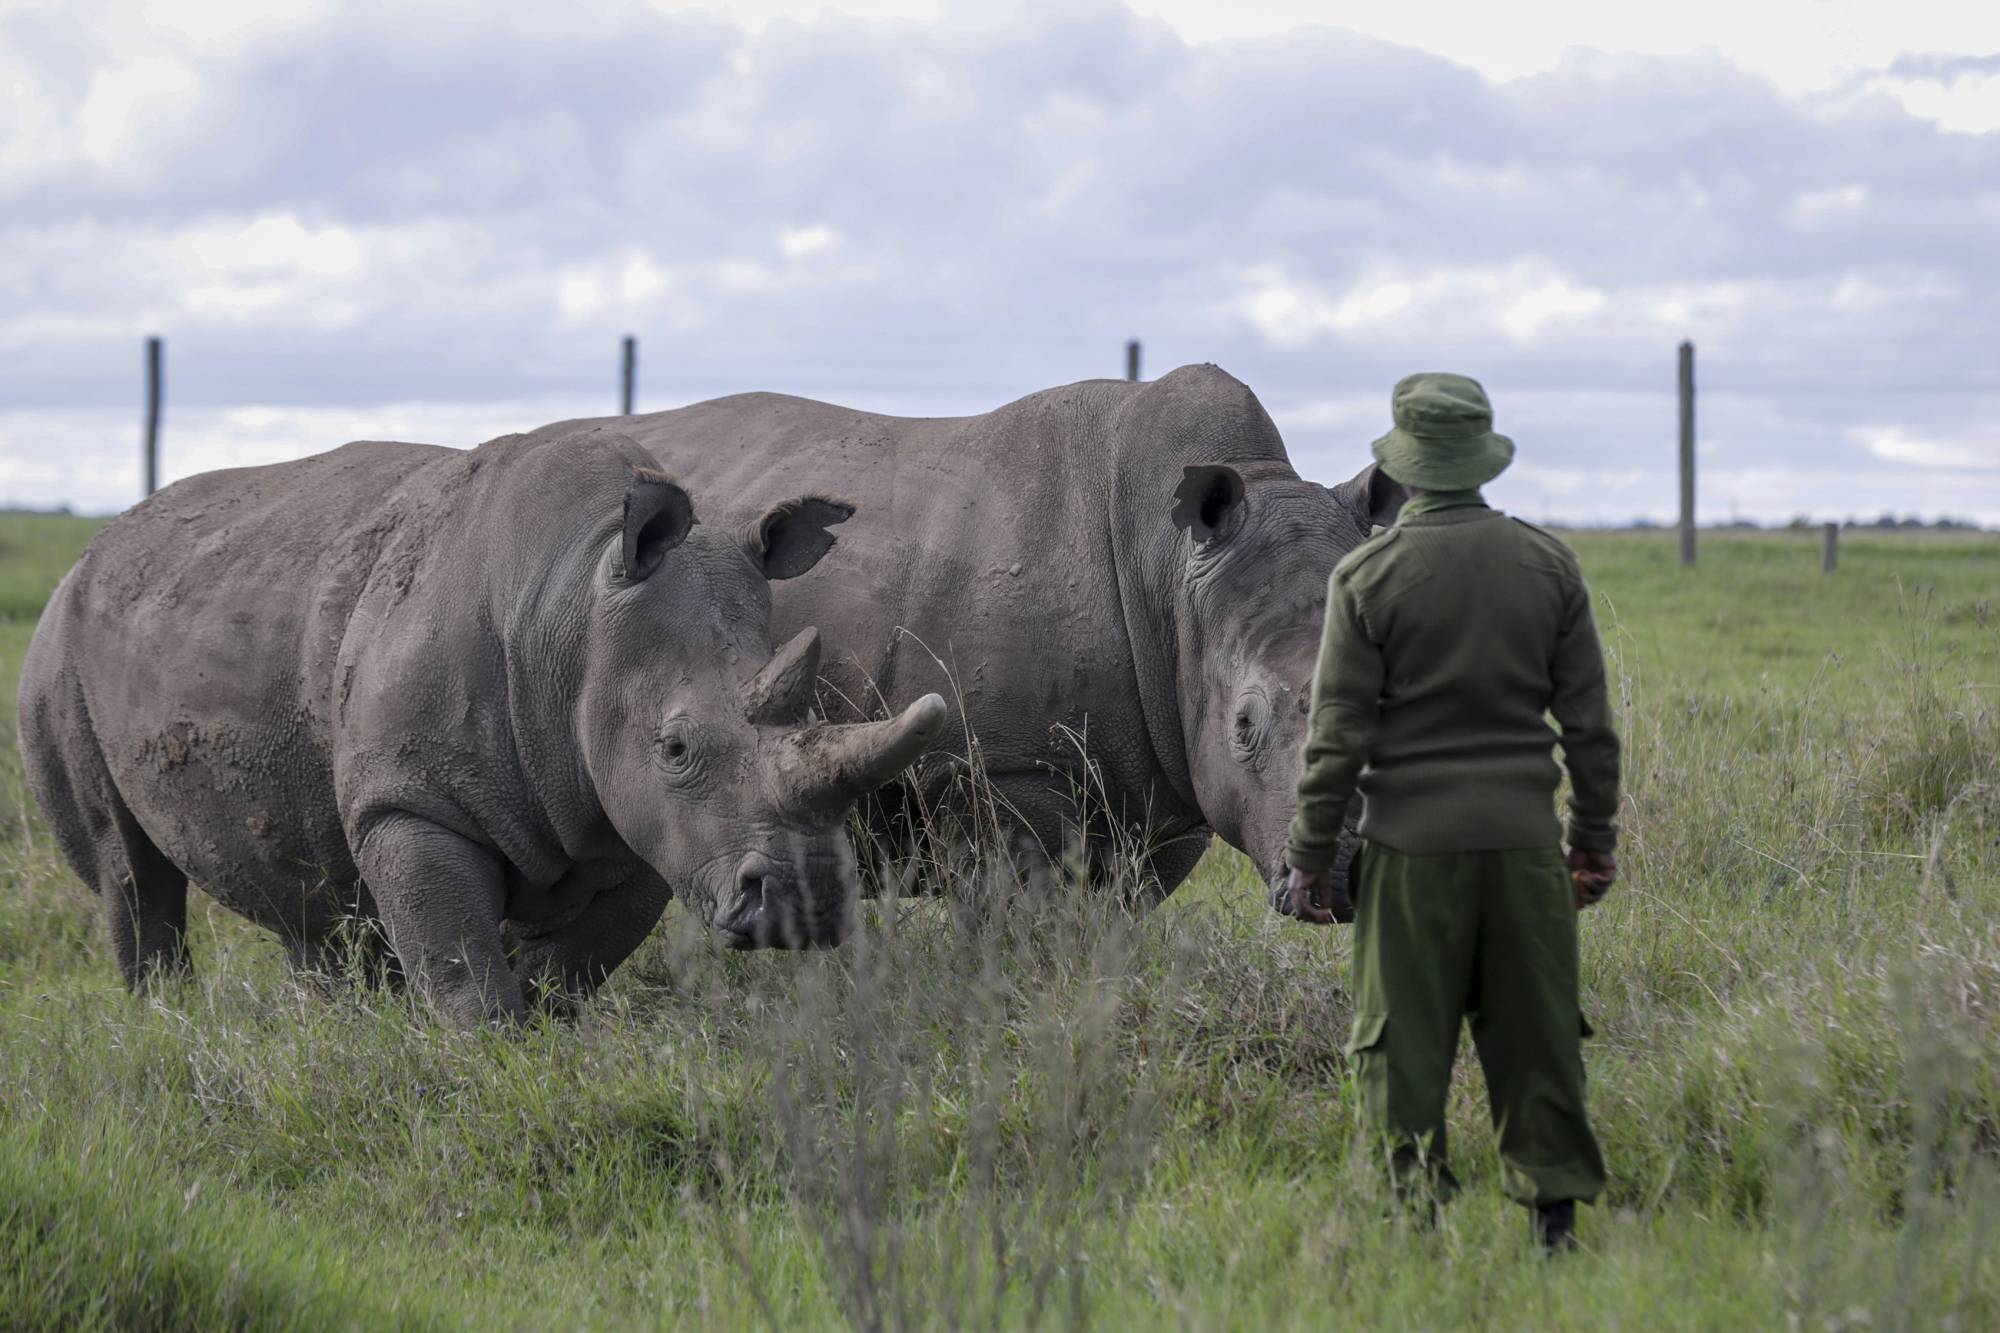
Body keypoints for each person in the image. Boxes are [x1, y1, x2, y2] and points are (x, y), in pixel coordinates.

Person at [1281, 372, 1619, 1252]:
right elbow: (1589, 729)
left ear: (1405, 465)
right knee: (1538, 1036)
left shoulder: (1366, 576)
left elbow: (1336, 737)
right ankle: (1553, 1227)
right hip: (1523, 849)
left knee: (1402, 1046)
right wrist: (1590, 845)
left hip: (1407, 852)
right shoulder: (1550, 567)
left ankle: (1415, 1223)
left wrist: (1310, 856)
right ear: (1482, 460)